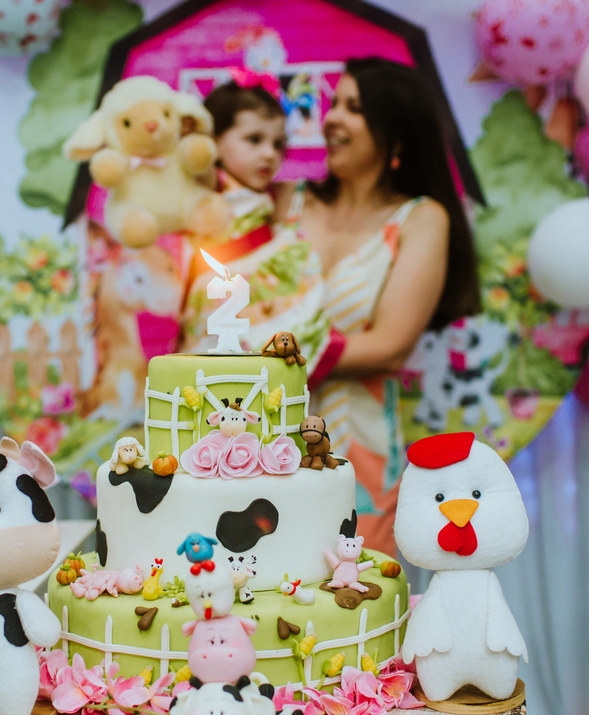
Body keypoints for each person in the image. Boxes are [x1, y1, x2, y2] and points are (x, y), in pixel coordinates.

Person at [274, 57, 481, 556]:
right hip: (261, 438)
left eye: (354, 108)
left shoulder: (420, 218)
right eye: (334, 104)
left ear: (397, 133)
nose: (331, 118)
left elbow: (389, 347)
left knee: (350, 608)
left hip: (355, 449)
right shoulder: (287, 200)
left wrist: (272, 358)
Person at [179, 72, 324, 354]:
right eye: (254, 139)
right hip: (218, 294)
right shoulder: (210, 183)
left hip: (262, 298)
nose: (270, 154)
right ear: (214, 141)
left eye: (278, 144)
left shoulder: (278, 195)